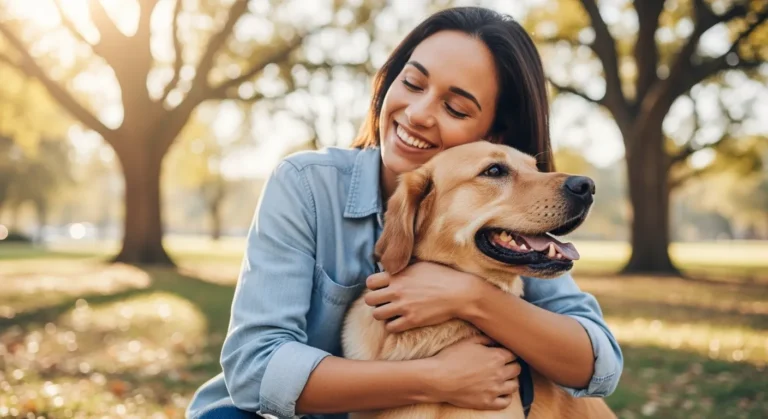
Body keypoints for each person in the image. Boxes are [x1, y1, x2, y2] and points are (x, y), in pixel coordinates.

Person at [186, 6, 622, 419]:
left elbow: (599, 363)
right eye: (412, 83)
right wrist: (436, 379)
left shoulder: (499, 231)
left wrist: (470, 297)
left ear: (491, 134)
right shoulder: (306, 184)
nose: (417, 114)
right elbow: (254, 367)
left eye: (455, 108)